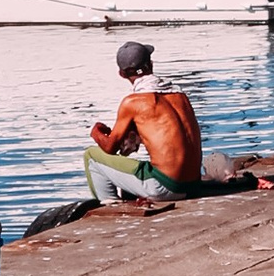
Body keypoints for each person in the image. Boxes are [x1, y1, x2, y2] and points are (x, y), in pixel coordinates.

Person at [85, 40, 207, 200]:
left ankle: (109, 205)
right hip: (193, 186)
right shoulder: (180, 96)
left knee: (91, 156)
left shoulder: (133, 102)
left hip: (165, 187)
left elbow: (110, 148)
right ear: (151, 64)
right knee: (141, 168)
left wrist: (95, 133)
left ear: (121, 74)